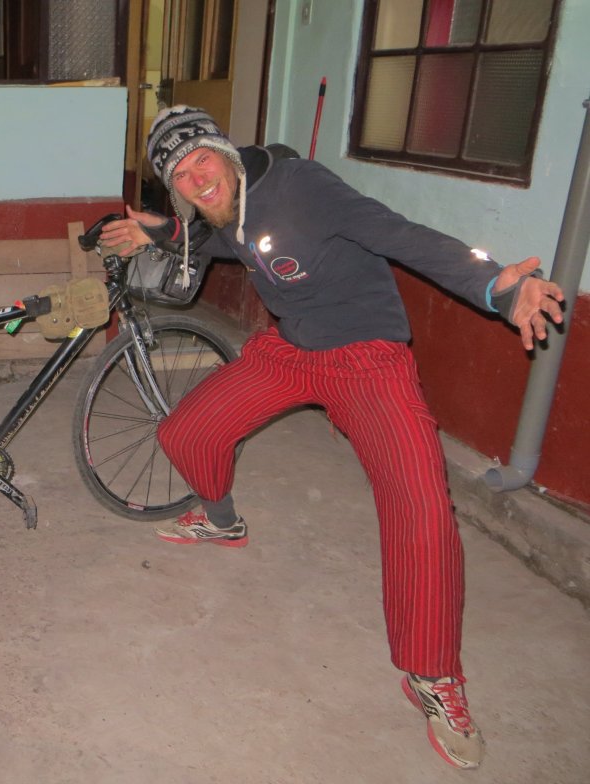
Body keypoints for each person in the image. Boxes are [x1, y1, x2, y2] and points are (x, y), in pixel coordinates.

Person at [100, 105, 565, 770]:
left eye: (201, 159)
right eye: (180, 175)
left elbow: (403, 235)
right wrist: (160, 230)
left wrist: (494, 286)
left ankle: (434, 676)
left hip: (369, 358)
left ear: (224, 151)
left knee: (421, 511)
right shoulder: (221, 207)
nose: (197, 178)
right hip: (291, 350)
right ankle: (223, 522)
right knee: (185, 431)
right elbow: (213, 238)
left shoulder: (302, 186)